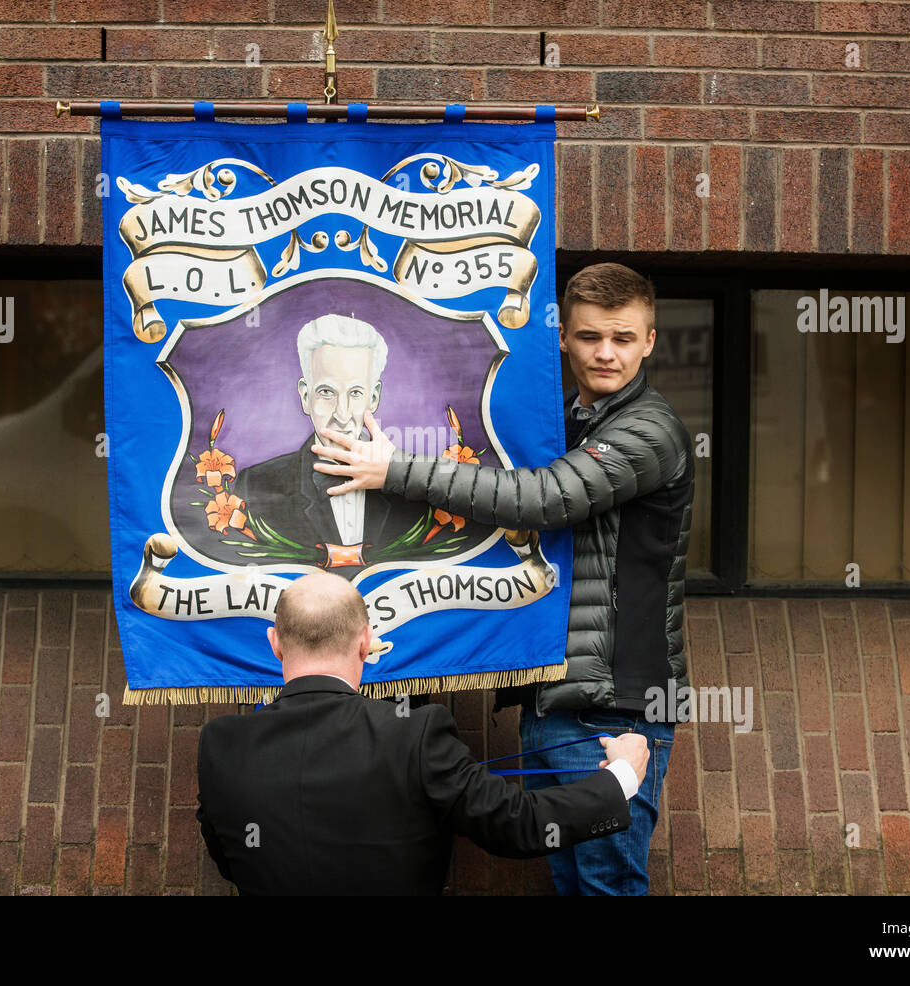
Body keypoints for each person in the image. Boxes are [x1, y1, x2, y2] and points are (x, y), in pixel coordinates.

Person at [311, 263, 694, 895]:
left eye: (623, 338)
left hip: (616, 707)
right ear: (563, 338)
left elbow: (545, 498)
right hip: (555, 696)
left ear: (649, 342)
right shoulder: (570, 423)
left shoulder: (648, 431)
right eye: (590, 336)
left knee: (605, 887)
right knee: (574, 886)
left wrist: (396, 469)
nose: (606, 352)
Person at [195, 572, 651, 896]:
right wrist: (622, 778)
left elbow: (228, 856)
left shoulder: (220, 745)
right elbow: (518, 823)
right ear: (364, 642)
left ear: (275, 642)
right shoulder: (414, 734)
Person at [221, 313, 492, 573]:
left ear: (373, 398)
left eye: (355, 393)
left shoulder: (421, 486)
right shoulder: (255, 485)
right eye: (326, 392)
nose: (341, 414)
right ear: (305, 397)